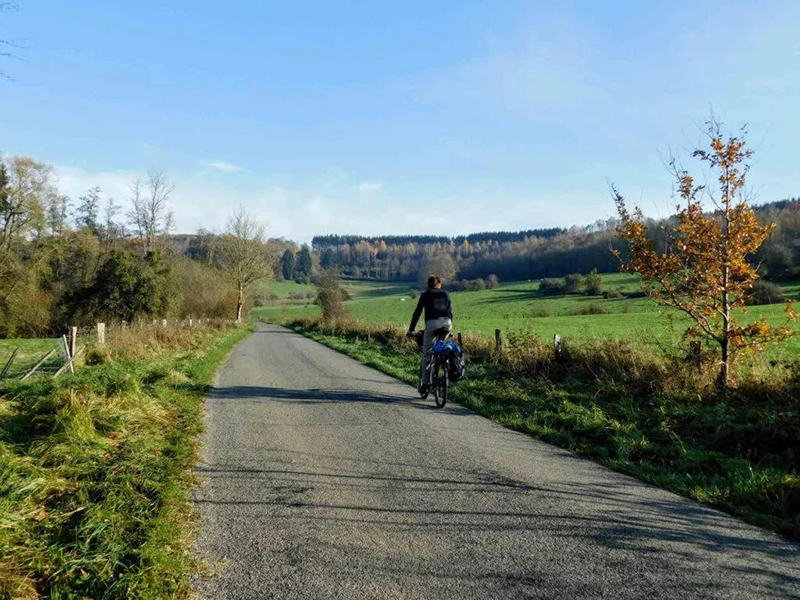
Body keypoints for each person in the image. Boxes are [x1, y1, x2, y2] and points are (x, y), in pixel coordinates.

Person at [407, 275, 453, 393]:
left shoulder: (426, 294)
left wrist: (411, 329)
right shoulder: (446, 294)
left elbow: (418, 311)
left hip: (432, 323)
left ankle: (425, 384)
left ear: (428, 284)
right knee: (441, 346)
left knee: (427, 354)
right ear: (439, 284)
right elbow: (450, 312)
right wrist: (448, 330)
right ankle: (444, 362)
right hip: (447, 323)